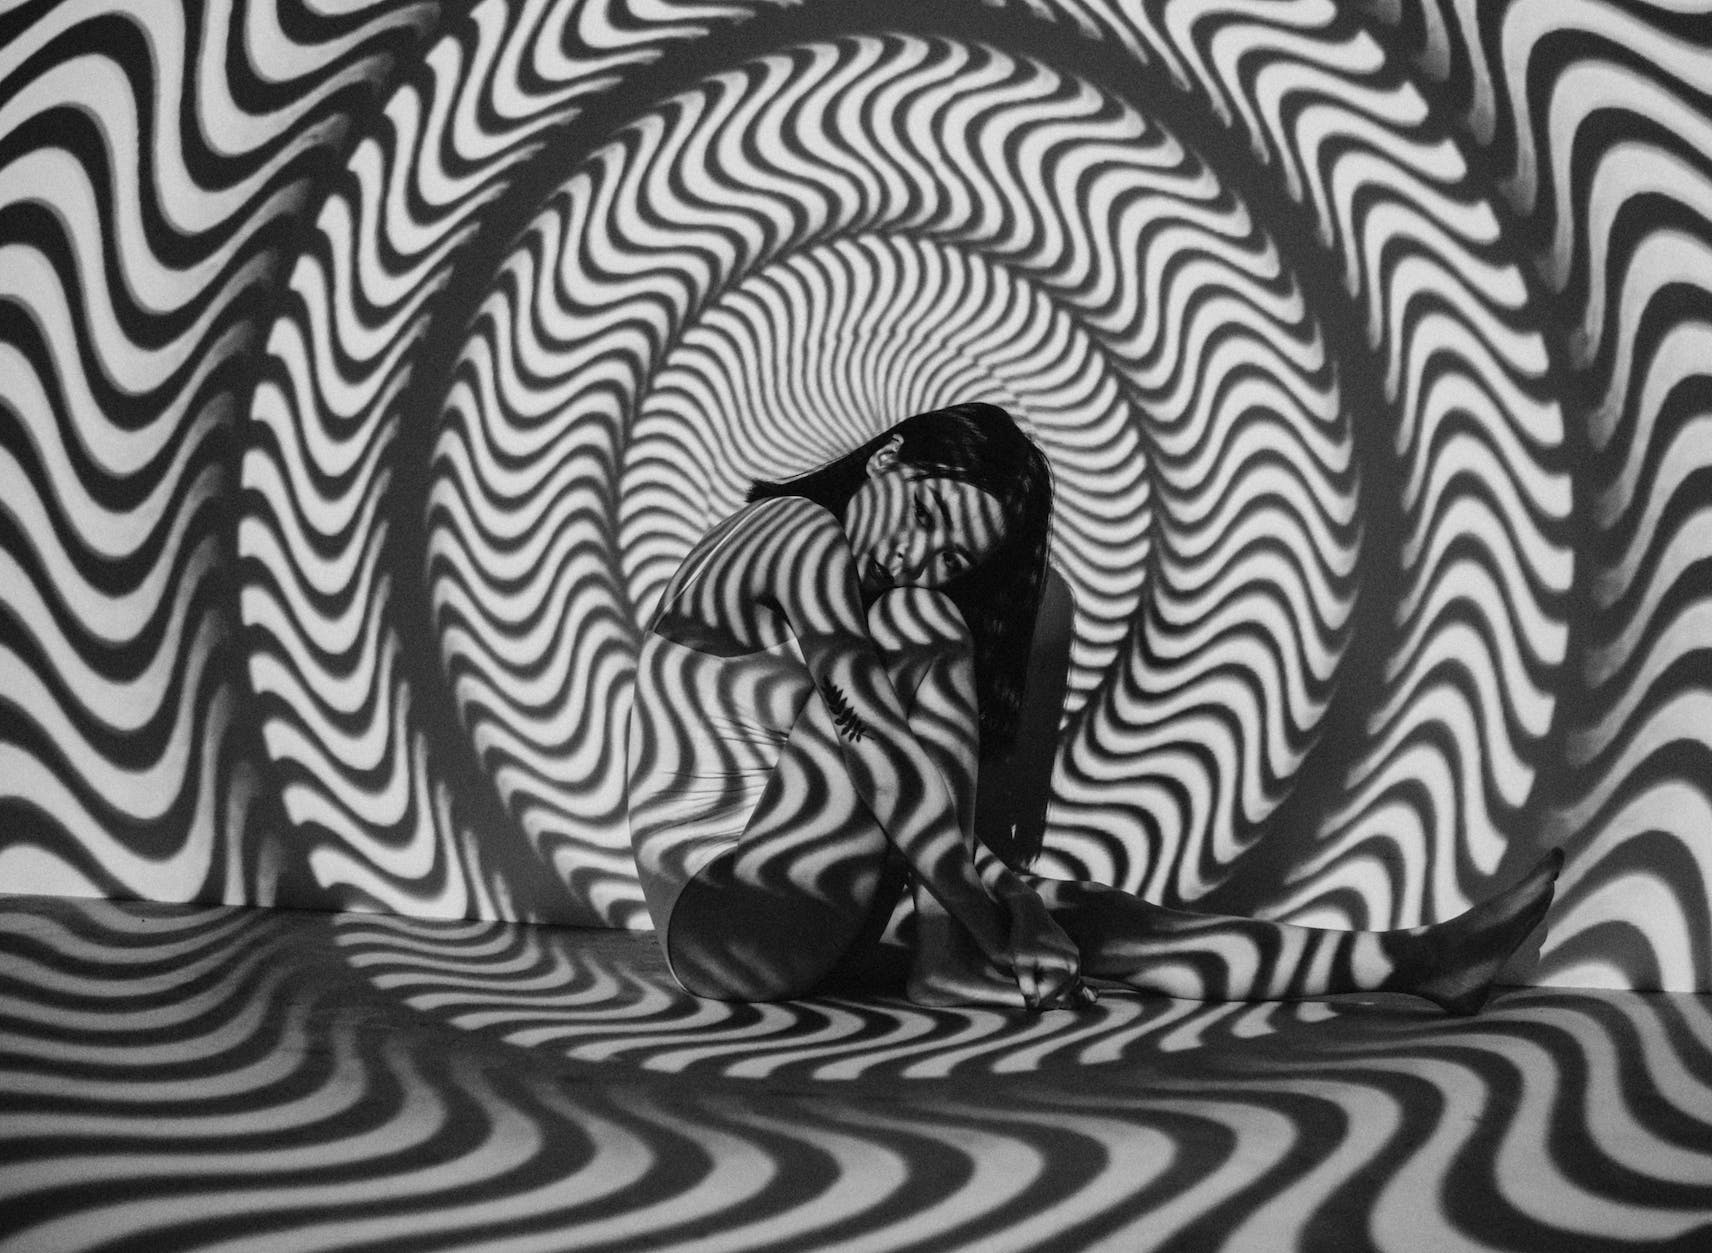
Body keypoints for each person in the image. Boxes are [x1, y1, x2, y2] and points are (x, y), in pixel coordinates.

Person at [625, 401, 1559, 1013]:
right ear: (888, 459)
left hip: (796, 911)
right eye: (925, 521)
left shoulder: (854, 581)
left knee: (1085, 916)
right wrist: (985, 905)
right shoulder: (793, 530)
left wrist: (1005, 895)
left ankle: (1416, 962)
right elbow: (868, 742)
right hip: (721, 921)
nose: (918, 560)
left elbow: (871, 767)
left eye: (954, 559)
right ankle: (957, 948)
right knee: (986, 854)